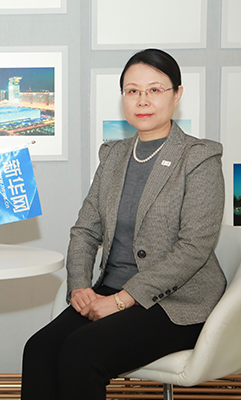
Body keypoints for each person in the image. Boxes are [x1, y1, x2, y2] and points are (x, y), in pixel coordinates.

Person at [20, 48, 226, 399]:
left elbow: (193, 249)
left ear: (177, 94)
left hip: (175, 304)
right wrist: (80, 287)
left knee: (81, 353)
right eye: (132, 91)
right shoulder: (113, 156)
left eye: (155, 90)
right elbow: (85, 231)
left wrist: (121, 300)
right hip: (109, 291)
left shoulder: (199, 157)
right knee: (39, 349)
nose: (142, 100)